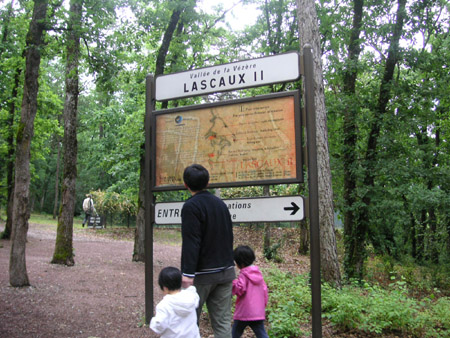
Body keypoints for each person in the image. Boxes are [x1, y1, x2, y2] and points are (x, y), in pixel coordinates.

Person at [181, 164, 235, 338]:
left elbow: (191, 242)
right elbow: (228, 235)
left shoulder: (191, 206)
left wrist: (188, 274)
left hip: (201, 275)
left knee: (189, 322)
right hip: (226, 272)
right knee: (223, 323)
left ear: (185, 184)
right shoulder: (220, 204)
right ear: (208, 183)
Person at [150, 266, 200, 338]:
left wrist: (153, 322)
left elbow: (159, 325)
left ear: (164, 287)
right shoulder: (191, 297)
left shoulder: (164, 306)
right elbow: (192, 290)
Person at [232, 245, 269, 338]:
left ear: (241, 263)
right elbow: (265, 291)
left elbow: (240, 289)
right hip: (258, 312)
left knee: (235, 333)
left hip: (244, 312)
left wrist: (233, 283)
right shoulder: (259, 274)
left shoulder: (244, 274)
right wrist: (262, 306)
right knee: (261, 334)